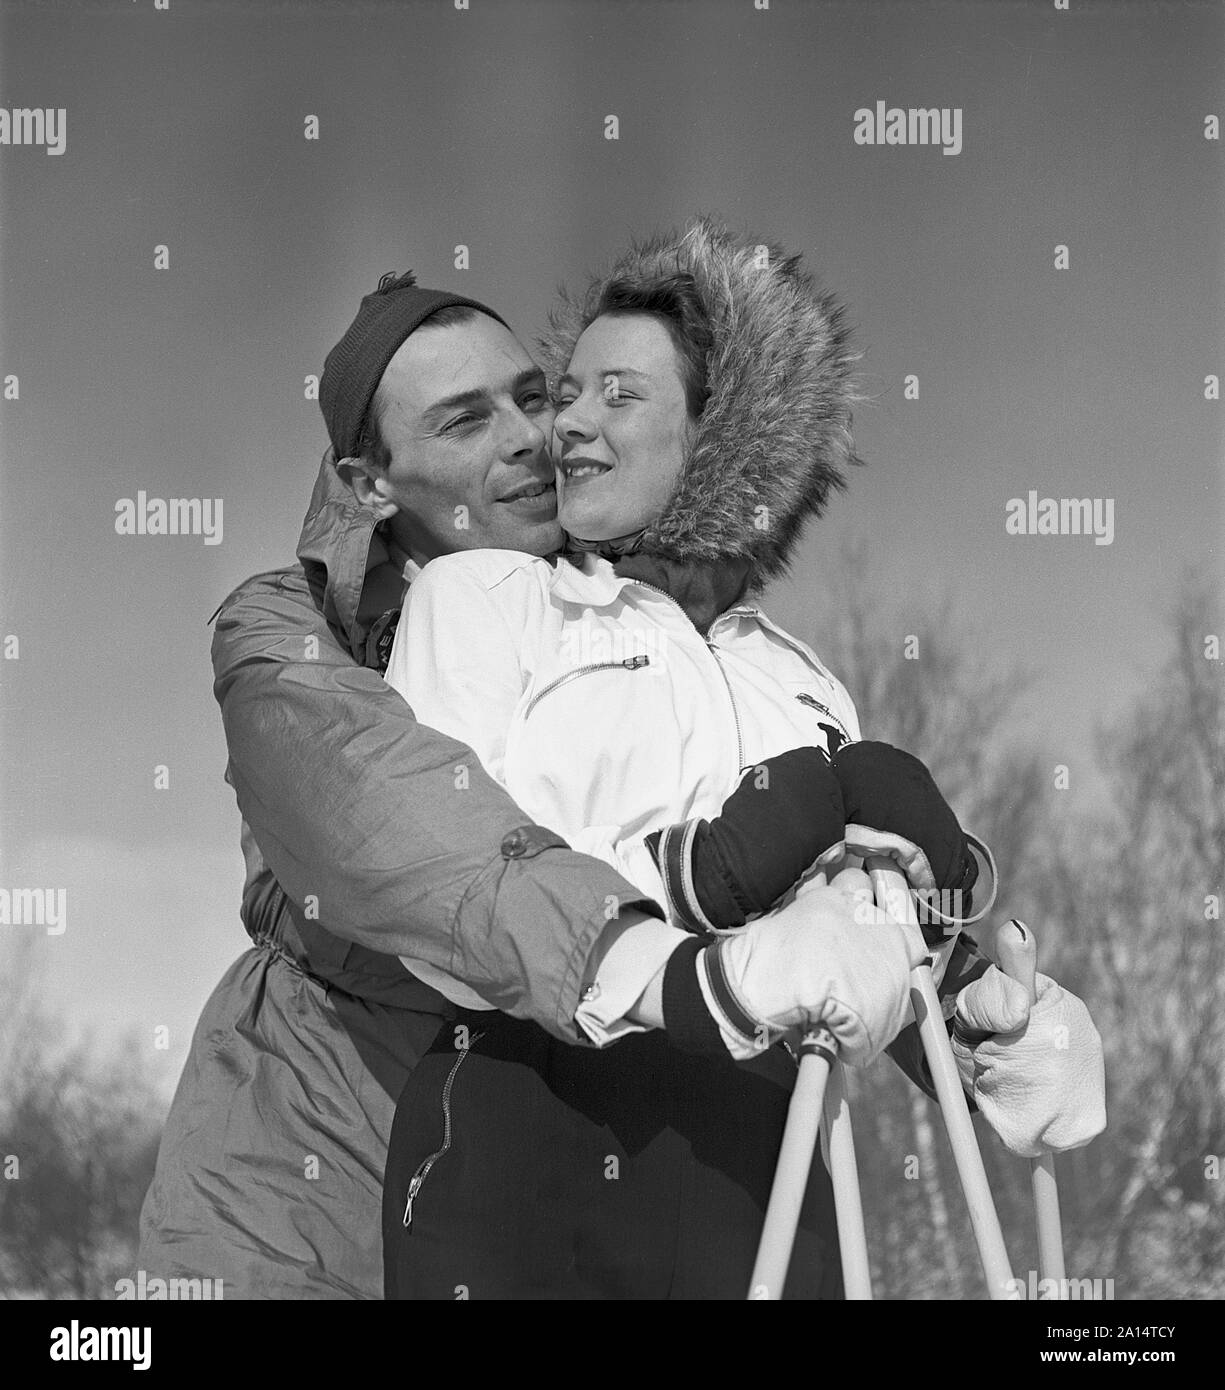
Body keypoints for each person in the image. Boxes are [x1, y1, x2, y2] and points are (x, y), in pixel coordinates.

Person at [136, 267, 921, 1299]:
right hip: (302, 1191)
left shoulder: (608, 627)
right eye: (466, 420)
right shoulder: (289, 635)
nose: (528, 436)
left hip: (538, 1184)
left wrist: (962, 989)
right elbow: (410, 824)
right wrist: (666, 970)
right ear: (372, 482)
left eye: (532, 395)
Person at [376, 221, 1106, 1299]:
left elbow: (841, 966)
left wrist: (970, 1019)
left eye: (615, 395)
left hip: (761, 1158)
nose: (564, 423)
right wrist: (713, 872)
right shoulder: (486, 600)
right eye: (565, 391)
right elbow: (440, 884)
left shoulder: (797, 677)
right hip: (527, 1135)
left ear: (721, 435)